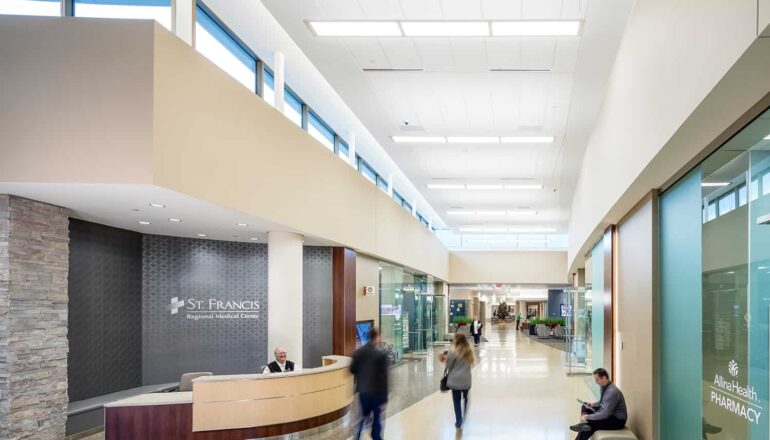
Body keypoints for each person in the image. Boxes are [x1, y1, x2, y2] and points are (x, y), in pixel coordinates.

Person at [350, 327, 389, 440]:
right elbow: (384, 377)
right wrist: (385, 398)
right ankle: (376, 437)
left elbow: (352, 369)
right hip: (377, 394)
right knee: (377, 420)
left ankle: (357, 437)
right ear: (377, 337)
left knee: (361, 418)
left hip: (363, 392)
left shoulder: (358, 352)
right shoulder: (381, 355)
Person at [570, 368, 628, 440]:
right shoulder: (604, 387)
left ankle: (583, 424)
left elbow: (604, 414)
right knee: (584, 407)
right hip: (609, 414)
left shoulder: (612, 391)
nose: (596, 382)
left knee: (588, 424)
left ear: (604, 377)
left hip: (617, 420)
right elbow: (601, 401)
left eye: (597, 380)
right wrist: (592, 405)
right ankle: (583, 424)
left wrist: (587, 417)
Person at [440, 332, 475, 430]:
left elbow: (448, 366)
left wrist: (445, 359)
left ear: (457, 340)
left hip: (455, 381)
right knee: (466, 398)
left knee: (456, 401)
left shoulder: (453, 352)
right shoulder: (469, 351)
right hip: (466, 380)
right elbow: (472, 362)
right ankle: (464, 415)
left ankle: (459, 420)